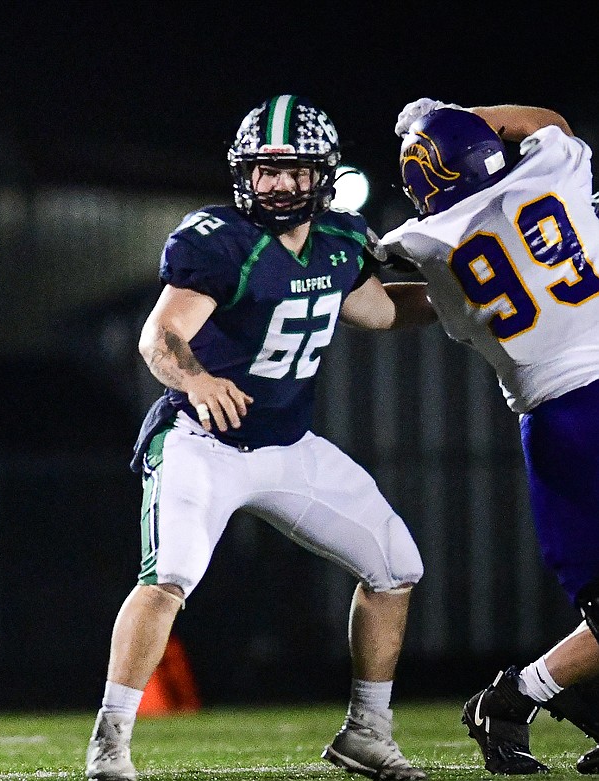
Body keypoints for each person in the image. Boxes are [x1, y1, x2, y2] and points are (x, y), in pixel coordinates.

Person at [83, 94, 438, 781]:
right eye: (263, 169)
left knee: (397, 567)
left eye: (290, 170)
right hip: (201, 440)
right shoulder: (220, 240)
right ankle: (111, 739)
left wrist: (469, 294)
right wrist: (195, 380)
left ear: (321, 175)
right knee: (168, 577)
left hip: (287, 445)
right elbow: (161, 334)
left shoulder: (338, 241)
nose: (274, 183)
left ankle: (367, 730)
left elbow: (384, 309)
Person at [382, 98, 599, 775]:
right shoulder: (552, 173)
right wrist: (456, 114)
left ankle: (519, 698)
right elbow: (547, 122)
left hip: (549, 424)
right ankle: (515, 696)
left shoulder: (431, 246)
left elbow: (412, 306)